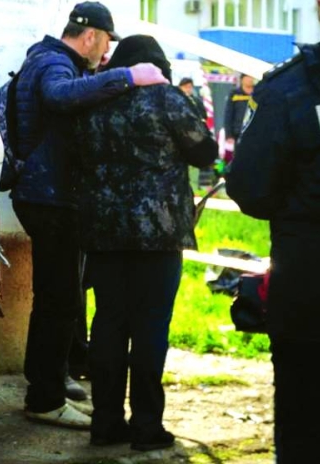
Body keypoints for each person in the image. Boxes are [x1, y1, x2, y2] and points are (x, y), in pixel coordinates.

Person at [9, 1, 168, 429]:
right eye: (105, 45)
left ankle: (48, 382)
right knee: (60, 300)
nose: (104, 55)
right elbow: (59, 97)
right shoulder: (55, 64)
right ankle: (44, 398)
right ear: (92, 36)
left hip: (47, 194)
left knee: (58, 298)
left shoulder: (47, 59)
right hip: (50, 197)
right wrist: (127, 76)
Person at [74, 36, 217, 451]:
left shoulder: (96, 102)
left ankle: (105, 424)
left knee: (109, 324)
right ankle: (147, 427)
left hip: (105, 233)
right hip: (158, 234)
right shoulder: (167, 99)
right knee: (151, 326)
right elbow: (205, 152)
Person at [226, 0, 320, 463]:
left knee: (305, 423)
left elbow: (250, 188)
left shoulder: (290, 90)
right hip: (305, 285)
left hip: (309, 288)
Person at [223, 73, 255, 150]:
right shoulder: (234, 93)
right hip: (238, 132)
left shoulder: (258, 92)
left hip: (255, 132)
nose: (250, 79)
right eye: (247, 77)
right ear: (242, 80)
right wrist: (229, 134)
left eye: (251, 77)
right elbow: (228, 114)